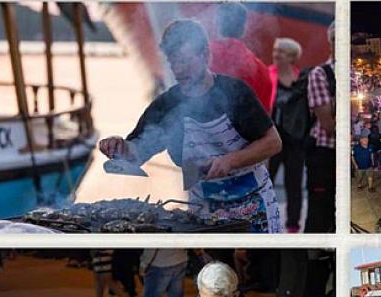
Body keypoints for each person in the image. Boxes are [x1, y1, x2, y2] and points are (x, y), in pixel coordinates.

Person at [99, 19, 282, 233]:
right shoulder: (166, 105)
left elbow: (273, 143)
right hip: (202, 209)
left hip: (253, 206)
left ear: (205, 55)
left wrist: (231, 160)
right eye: (173, 62)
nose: (178, 70)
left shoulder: (235, 92)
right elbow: (137, 152)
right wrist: (117, 146)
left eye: (185, 61)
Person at [268, 37, 306, 233]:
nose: (275, 54)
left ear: (291, 56)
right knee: (266, 182)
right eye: (275, 50)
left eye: (280, 51)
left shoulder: (302, 79)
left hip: (294, 141)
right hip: (271, 139)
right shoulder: (267, 75)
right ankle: (261, 218)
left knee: (294, 185)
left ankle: (292, 224)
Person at [208, 3, 273, 112]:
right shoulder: (261, 69)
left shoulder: (201, 56)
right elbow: (265, 118)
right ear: (243, 28)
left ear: (217, 23)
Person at [304, 22, 336, 233]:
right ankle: (315, 259)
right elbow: (328, 125)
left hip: (334, 155)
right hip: (323, 155)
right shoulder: (320, 74)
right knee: (319, 212)